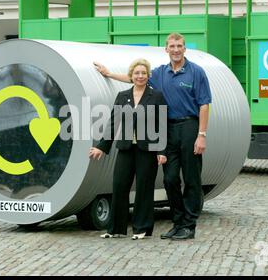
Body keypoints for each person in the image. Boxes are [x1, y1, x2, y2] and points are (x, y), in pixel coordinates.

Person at [93, 33, 212, 240]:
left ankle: (189, 225)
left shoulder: (196, 72)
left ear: (185, 49)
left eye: (179, 46)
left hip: (189, 125)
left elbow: (204, 104)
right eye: (172, 46)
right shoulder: (160, 73)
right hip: (168, 129)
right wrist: (109, 74)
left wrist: (201, 134)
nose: (176, 49)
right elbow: (136, 79)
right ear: (166, 49)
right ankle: (177, 222)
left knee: (191, 177)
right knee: (170, 178)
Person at [89, 58, 167, 240]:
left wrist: (162, 151)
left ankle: (142, 228)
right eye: (137, 73)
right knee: (119, 185)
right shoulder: (122, 96)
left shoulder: (156, 96)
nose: (140, 76)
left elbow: (162, 125)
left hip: (147, 150)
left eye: (143, 73)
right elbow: (113, 122)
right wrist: (102, 147)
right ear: (131, 75)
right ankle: (115, 229)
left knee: (144, 188)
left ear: (148, 76)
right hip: (125, 148)